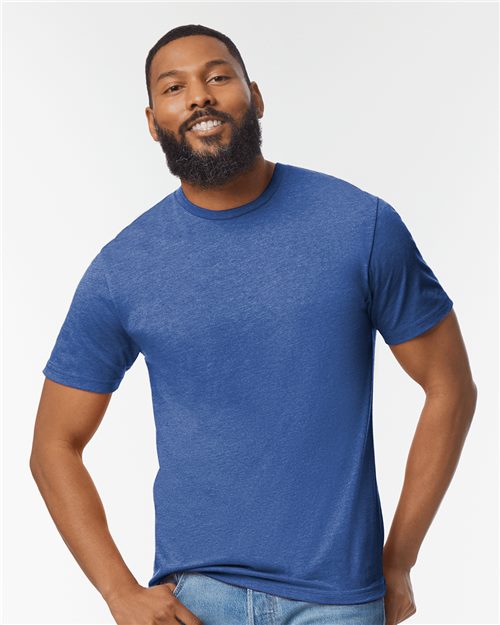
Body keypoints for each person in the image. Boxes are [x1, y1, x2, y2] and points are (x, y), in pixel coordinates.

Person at [30, 23, 477, 625]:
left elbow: (450, 387)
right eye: (174, 87)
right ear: (153, 119)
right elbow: (54, 446)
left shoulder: (358, 224)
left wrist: (399, 560)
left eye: (218, 77)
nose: (199, 97)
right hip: (194, 600)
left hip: (339, 601)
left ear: (255, 96)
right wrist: (119, 593)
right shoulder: (124, 266)